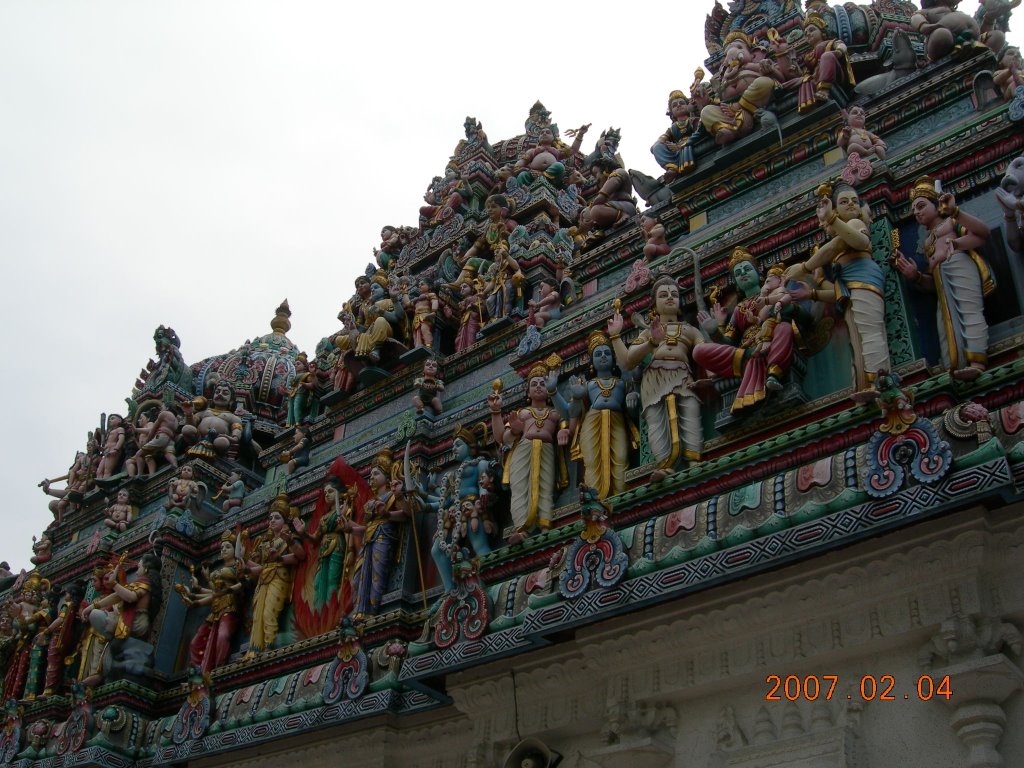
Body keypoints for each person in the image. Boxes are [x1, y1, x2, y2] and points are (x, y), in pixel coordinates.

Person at [785, 182, 892, 401]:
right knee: (858, 339)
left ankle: (880, 381)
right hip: (855, 289)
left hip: (865, 282)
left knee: (869, 334)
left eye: (854, 200)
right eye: (844, 201)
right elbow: (837, 293)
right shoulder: (842, 242)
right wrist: (811, 294)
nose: (851, 204)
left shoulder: (855, 224)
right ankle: (865, 384)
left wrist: (805, 267)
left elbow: (853, 242)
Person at [895, 176, 993, 380]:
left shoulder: (952, 222)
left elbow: (982, 233)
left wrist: (955, 242)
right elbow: (931, 284)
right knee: (944, 324)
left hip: (959, 267)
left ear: (935, 203)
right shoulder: (926, 242)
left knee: (969, 311)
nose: (917, 213)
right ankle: (954, 367)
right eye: (914, 210)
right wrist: (916, 277)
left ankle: (977, 360)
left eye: (921, 206)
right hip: (942, 284)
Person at [609, 276, 705, 479]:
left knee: (689, 410)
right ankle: (665, 464)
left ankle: (694, 459)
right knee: (657, 420)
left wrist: (717, 327)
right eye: (663, 295)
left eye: (674, 294)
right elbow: (627, 361)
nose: (670, 298)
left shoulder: (690, 330)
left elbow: (704, 352)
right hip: (655, 377)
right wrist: (618, 336)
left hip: (682, 374)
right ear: (654, 303)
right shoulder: (647, 332)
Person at [695, 249, 797, 414]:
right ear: (736, 281)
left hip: (770, 341)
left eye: (747, 269)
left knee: (784, 328)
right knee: (699, 351)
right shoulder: (738, 309)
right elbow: (727, 342)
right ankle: (751, 357)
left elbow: (799, 315)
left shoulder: (775, 294)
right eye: (738, 273)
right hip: (745, 351)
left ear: (758, 272)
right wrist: (715, 330)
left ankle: (773, 371)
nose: (743, 274)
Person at [488, 365, 570, 542]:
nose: (539, 386)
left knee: (545, 486)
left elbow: (567, 419)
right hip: (523, 450)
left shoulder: (554, 412)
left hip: (547, 449)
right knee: (520, 488)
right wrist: (497, 413)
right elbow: (503, 437)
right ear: (528, 392)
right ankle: (522, 529)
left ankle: (545, 525)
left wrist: (564, 430)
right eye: (534, 384)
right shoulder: (522, 413)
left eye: (542, 383)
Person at [568, 331, 638, 499]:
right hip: (592, 422)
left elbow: (634, 414)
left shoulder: (623, 383)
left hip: (618, 421)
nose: (603, 357)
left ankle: (622, 494)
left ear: (614, 359)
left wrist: (633, 398)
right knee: (592, 460)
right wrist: (577, 396)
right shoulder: (589, 384)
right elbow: (573, 412)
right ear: (592, 362)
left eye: (607, 353)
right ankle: (594, 499)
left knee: (621, 456)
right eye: (598, 354)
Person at [244, 494, 305, 656]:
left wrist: (281, 554)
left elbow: (300, 556)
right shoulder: (264, 543)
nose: (272, 520)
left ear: (285, 521)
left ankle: (269, 651)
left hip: (279, 576)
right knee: (257, 616)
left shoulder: (288, 537)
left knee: (269, 613)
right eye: (270, 518)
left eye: (277, 517)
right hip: (264, 579)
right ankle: (255, 651)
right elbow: (261, 567)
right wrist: (244, 562)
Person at [351, 451, 409, 618]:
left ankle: (373, 613)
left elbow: (406, 514)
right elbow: (365, 527)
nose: (372, 477)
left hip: (384, 536)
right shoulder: (370, 503)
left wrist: (388, 514)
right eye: (370, 474)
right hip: (368, 539)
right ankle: (360, 611)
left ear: (386, 475)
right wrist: (349, 527)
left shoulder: (392, 495)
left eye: (376, 473)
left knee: (378, 575)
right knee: (358, 578)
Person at [177, 531, 245, 673]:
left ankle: (219, 669)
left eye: (228, 547)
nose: (224, 549)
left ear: (235, 550)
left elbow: (234, 588)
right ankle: (198, 673)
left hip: (229, 608)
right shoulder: (219, 571)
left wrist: (197, 596)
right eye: (222, 548)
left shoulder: (237, 568)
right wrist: (194, 592)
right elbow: (215, 593)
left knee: (223, 636)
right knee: (196, 642)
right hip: (215, 610)